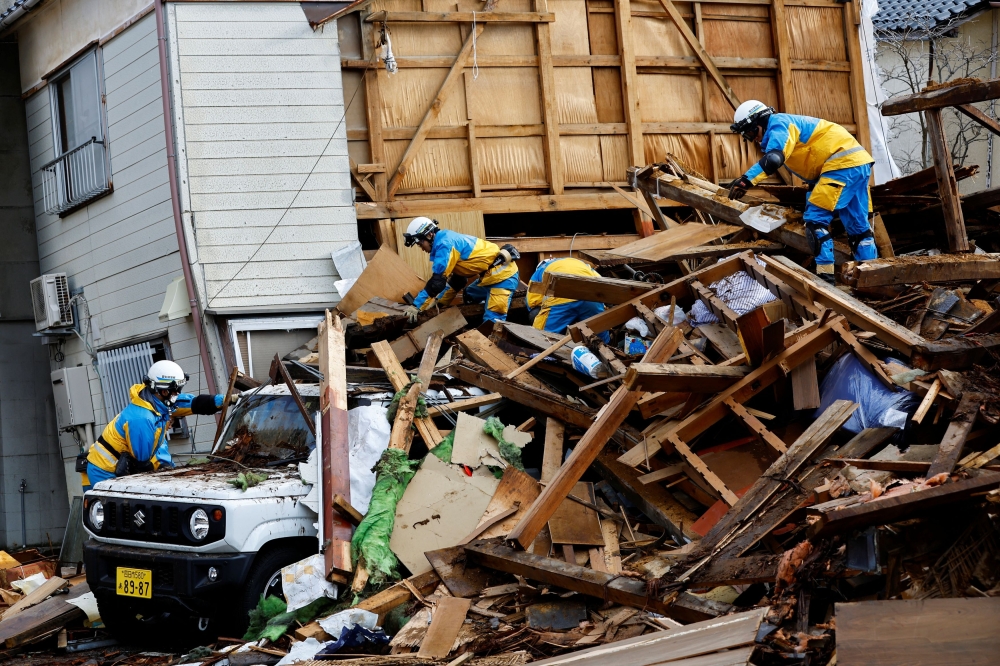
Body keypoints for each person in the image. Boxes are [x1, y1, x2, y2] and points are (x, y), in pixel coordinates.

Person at [727, 100, 878, 283]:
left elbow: (774, 159)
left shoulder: (778, 124)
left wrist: (745, 181)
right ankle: (872, 280)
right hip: (856, 164)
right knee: (859, 230)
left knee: (815, 222)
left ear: (759, 122)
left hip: (840, 166)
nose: (753, 139)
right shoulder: (790, 122)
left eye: (751, 132)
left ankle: (826, 279)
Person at [81, 360, 229, 492]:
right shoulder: (142, 419)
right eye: (176, 390)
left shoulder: (158, 402)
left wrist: (223, 400)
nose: (178, 393)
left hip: (121, 466)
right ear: (164, 391)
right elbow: (143, 466)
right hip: (103, 472)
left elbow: (192, 403)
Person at [402, 217, 520, 324]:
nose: (421, 248)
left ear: (429, 235)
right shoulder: (446, 238)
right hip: (489, 276)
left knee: (491, 322)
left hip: (503, 276)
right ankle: (478, 320)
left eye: (419, 243)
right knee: (469, 295)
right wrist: (439, 303)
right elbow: (458, 280)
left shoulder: (445, 245)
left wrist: (416, 306)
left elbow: (436, 283)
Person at [527, 257, 609, 342]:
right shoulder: (579, 264)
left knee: (542, 339)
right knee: (601, 338)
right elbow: (601, 283)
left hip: (562, 301)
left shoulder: (540, 270)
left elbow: (531, 301)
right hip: (592, 298)